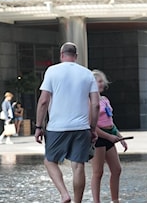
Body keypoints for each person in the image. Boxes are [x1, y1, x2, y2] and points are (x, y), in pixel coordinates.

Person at [35, 42, 100, 203]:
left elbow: (43, 101)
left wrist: (38, 126)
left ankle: (64, 194)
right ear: (76, 57)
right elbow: (96, 104)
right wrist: (92, 128)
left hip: (57, 127)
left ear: (61, 55)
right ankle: (78, 202)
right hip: (81, 127)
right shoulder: (87, 74)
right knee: (78, 165)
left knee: (50, 161)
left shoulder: (52, 71)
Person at [90, 70, 128, 203]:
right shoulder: (89, 101)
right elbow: (92, 126)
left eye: (102, 81)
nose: (102, 84)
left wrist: (119, 136)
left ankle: (115, 200)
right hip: (98, 138)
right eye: (99, 81)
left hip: (110, 136)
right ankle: (96, 201)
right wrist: (108, 137)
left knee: (117, 169)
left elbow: (110, 121)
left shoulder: (105, 99)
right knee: (98, 172)